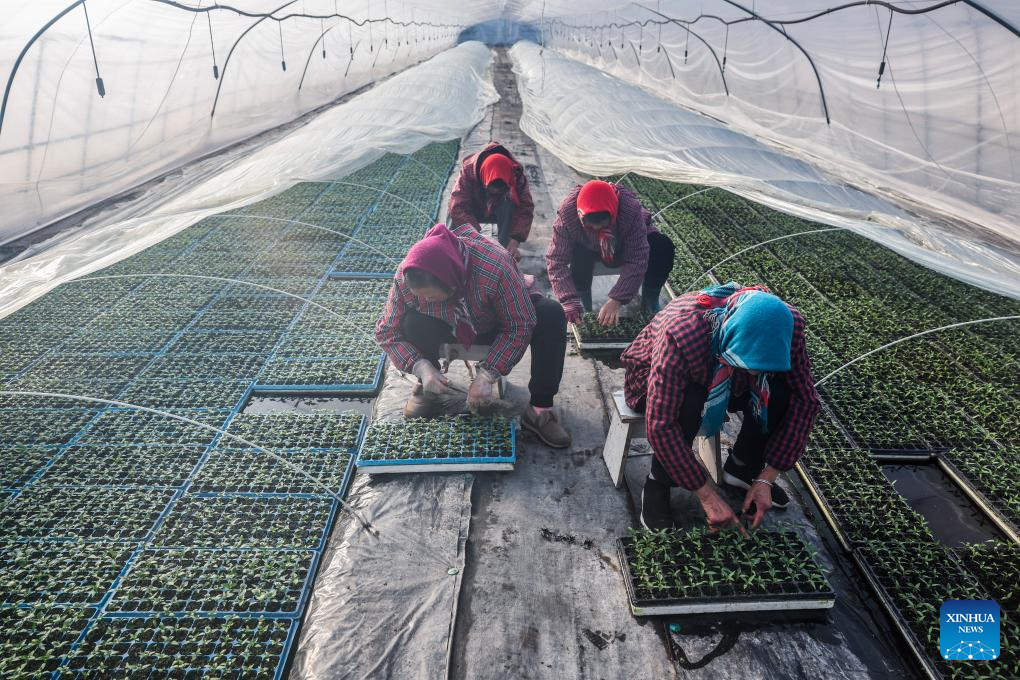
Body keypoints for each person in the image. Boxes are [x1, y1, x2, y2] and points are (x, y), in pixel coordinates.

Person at [621, 283, 820, 532]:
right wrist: (707, 496)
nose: (756, 373)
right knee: (689, 400)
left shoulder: (786, 326)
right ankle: (658, 482)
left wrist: (767, 477)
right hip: (653, 376)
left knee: (780, 391)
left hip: (727, 377)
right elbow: (661, 423)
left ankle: (743, 468)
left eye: (761, 365)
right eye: (748, 363)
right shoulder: (682, 333)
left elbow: (806, 401)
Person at [375, 222, 571, 448]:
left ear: (451, 283)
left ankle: (539, 409)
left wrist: (487, 375)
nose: (425, 301)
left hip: (494, 321)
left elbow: (519, 324)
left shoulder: (494, 265)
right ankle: (428, 387)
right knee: (413, 321)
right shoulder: (406, 275)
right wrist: (420, 366)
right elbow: (386, 331)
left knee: (550, 314)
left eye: (431, 296)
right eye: (421, 296)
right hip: (449, 323)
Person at [546, 179, 675, 326]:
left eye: (602, 224)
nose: (596, 228)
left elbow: (638, 257)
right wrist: (568, 299)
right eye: (590, 226)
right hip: (588, 247)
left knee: (662, 246)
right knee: (578, 252)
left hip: (624, 244)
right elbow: (556, 260)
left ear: (612, 213)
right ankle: (582, 306)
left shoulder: (629, 210)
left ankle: (649, 303)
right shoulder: (568, 214)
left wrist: (616, 300)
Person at [448, 142, 535, 261]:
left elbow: (526, 207)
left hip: (497, 209)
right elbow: (458, 207)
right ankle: (455, 252)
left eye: (500, 190)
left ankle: (505, 252)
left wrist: (515, 240)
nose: (494, 193)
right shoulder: (468, 171)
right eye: (491, 189)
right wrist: (477, 238)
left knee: (509, 205)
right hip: (475, 207)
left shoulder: (515, 173)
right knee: (453, 210)